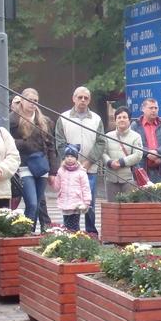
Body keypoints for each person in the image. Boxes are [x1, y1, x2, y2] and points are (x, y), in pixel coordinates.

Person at [55, 86, 105, 235]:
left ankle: (91, 232)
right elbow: (60, 142)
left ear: (89, 100)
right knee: (70, 202)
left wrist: (88, 162)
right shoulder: (63, 118)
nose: (83, 100)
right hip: (69, 170)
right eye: (80, 97)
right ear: (73, 98)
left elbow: (101, 142)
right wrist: (70, 162)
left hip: (90, 168)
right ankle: (70, 231)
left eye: (86, 98)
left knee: (90, 201)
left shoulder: (96, 119)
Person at [10, 88, 59, 231]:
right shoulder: (13, 119)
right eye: (29, 100)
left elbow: (51, 146)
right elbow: (8, 142)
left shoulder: (44, 121)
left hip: (41, 165)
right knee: (31, 203)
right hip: (24, 165)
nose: (32, 103)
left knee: (37, 204)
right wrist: (25, 144)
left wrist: (53, 171)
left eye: (35, 101)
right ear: (22, 100)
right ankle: (26, 232)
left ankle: (30, 231)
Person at [103, 106, 143, 201]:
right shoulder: (107, 136)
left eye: (124, 117)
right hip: (111, 178)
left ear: (129, 120)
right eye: (119, 117)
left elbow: (138, 155)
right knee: (112, 207)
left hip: (129, 179)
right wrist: (110, 162)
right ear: (115, 120)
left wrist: (121, 162)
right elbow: (103, 153)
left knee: (129, 207)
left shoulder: (136, 137)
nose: (122, 120)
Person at [131, 98, 161, 184]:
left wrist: (157, 152)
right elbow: (132, 144)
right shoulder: (135, 126)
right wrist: (148, 153)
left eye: (156, 108)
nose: (154, 110)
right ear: (143, 109)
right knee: (143, 193)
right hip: (142, 169)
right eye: (151, 108)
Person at [51, 144, 92, 231]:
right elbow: (57, 187)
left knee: (74, 225)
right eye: (67, 156)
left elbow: (86, 188)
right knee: (66, 225)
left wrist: (86, 202)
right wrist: (51, 180)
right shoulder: (61, 170)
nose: (69, 159)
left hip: (76, 203)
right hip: (65, 202)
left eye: (72, 156)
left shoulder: (81, 172)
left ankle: (75, 237)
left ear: (76, 158)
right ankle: (69, 238)